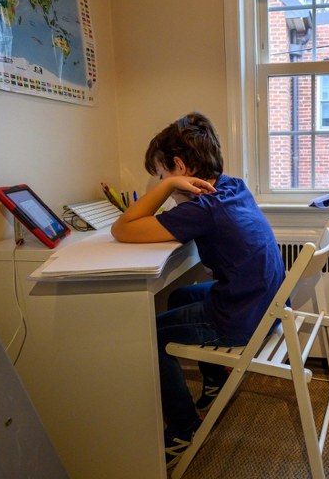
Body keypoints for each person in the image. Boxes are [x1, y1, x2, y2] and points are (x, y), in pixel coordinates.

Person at [111, 112, 285, 468]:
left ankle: (183, 428)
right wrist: (172, 184)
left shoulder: (204, 207)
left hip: (241, 317)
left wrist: (168, 187)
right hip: (263, 304)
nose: (163, 186)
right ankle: (215, 381)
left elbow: (122, 229)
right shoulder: (232, 187)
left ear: (179, 166)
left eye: (161, 176)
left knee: (149, 336)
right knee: (179, 296)